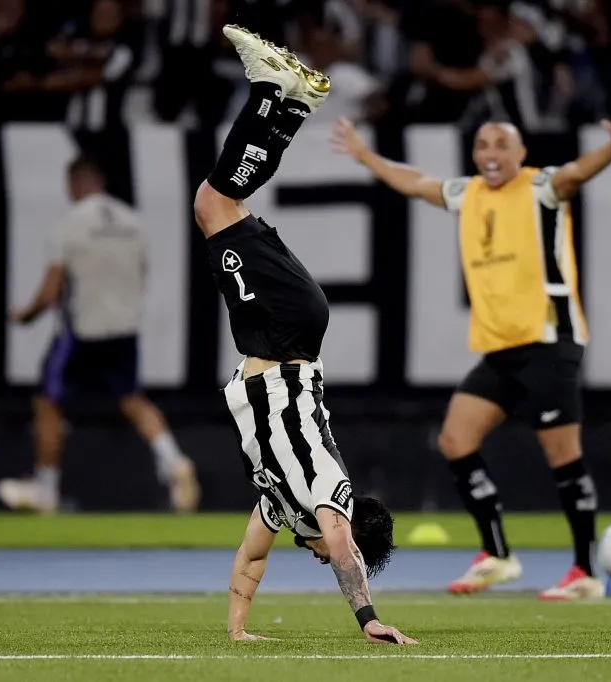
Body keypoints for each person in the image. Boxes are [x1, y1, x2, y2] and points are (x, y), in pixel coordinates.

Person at [331, 103, 611, 601]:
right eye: (482, 145)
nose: (491, 153)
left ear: (521, 153)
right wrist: (365, 155)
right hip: (500, 348)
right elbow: (415, 182)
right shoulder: (469, 193)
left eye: (502, 144)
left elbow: (575, 173)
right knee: (456, 439)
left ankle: (585, 571)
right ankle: (498, 555)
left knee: (562, 457)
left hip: (549, 342)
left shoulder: (540, 187)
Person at [192, 25, 415, 644]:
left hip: (272, 335)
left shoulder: (283, 503)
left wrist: (238, 632)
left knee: (220, 204)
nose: (318, 558)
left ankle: (292, 103)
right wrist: (368, 618)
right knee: (214, 205)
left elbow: (251, 558)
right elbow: (340, 544)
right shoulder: (328, 494)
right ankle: (271, 90)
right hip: (285, 332)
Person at [0, 156, 200, 514]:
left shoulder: (68, 225)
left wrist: (25, 315)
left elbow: (51, 291)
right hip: (123, 329)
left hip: (82, 332)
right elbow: (142, 273)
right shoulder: (133, 222)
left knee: (47, 401)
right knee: (133, 399)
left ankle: (45, 488)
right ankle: (174, 461)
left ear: (74, 185)